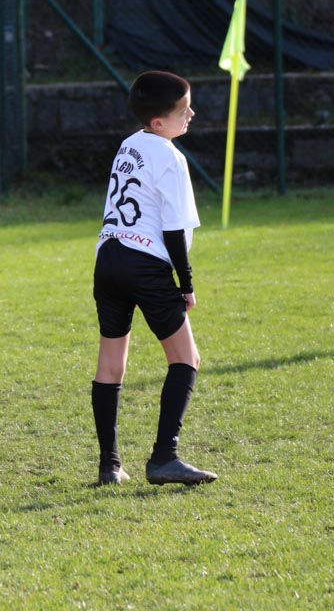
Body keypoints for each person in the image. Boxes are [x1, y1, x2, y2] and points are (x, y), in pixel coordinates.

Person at [90, 70, 218, 487]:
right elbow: (173, 230)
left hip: (107, 258)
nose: (191, 115)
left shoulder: (129, 145)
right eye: (184, 110)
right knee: (186, 359)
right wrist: (186, 283)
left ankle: (110, 466)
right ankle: (165, 458)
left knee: (111, 365)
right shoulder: (171, 157)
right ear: (159, 122)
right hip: (145, 263)